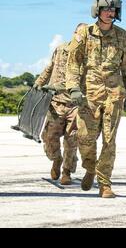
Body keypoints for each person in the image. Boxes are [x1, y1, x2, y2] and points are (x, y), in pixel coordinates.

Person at [66, 0, 126, 198]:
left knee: (109, 140)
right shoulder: (84, 34)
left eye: (113, 10)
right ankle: (89, 168)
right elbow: (73, 63)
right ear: (97, 11)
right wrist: (73, 88)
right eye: (106, 9)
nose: (109, 13)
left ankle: (104, 182)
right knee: (85, 138)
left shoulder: (122, 36)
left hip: (114, 95)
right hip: (88, 96)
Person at [33, 23, 86, 185]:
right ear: (73, 33)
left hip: (76, 105)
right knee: (49, 138)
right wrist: (38, 83)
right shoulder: (60, 49)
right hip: (55, 103)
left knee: (72, 140)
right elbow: (49, 68)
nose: (81, 38)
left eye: (85, 36)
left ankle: (67, 171)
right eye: (79, 34)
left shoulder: (89, 56)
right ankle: (56, 159)